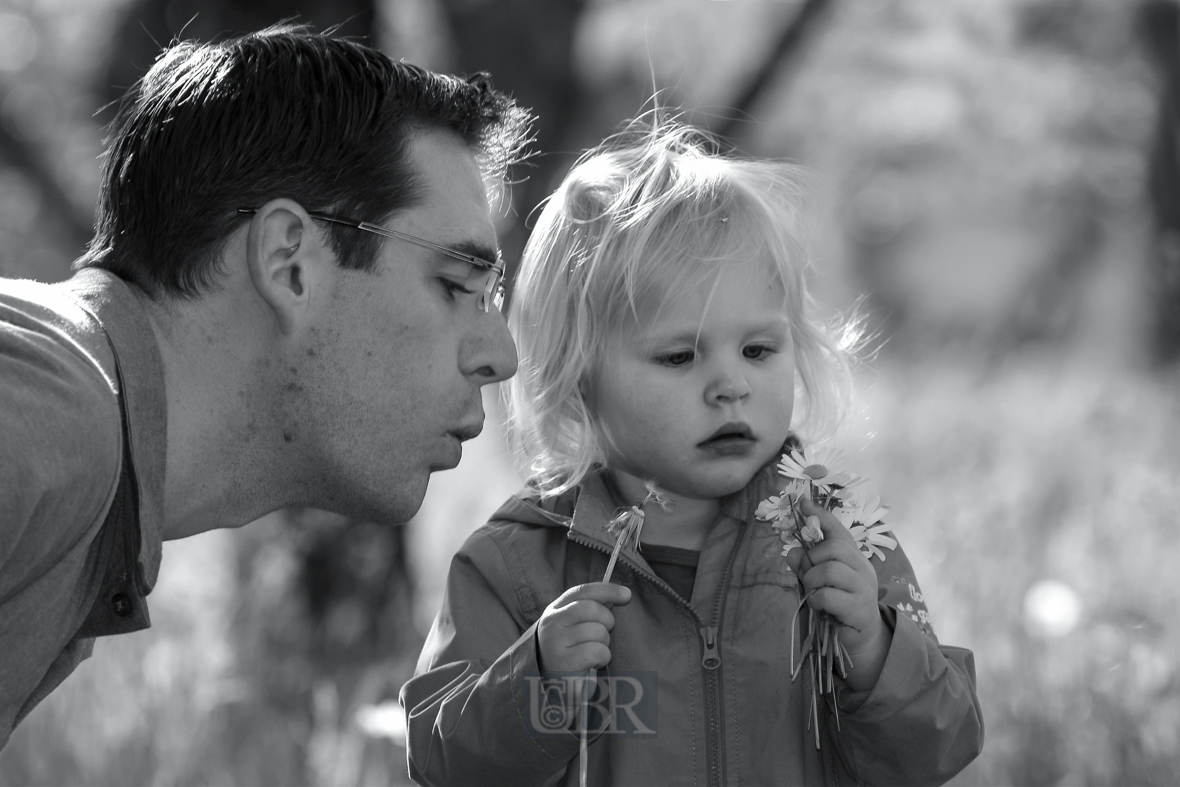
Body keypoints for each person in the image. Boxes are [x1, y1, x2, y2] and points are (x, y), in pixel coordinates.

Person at [400, 122, 984, 786]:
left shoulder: (841, 542)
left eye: (759, 349)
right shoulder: (518, 566)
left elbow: (942, 743)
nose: (730, 384)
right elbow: (442, 763)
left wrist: (875, 648)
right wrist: (539, 680)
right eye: (681, 355)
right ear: (578, 375)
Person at [0, 26, 531, 749]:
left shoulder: (85, 443)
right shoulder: (48, 414)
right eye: (456, 284)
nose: (501, 356)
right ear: (289, 262)